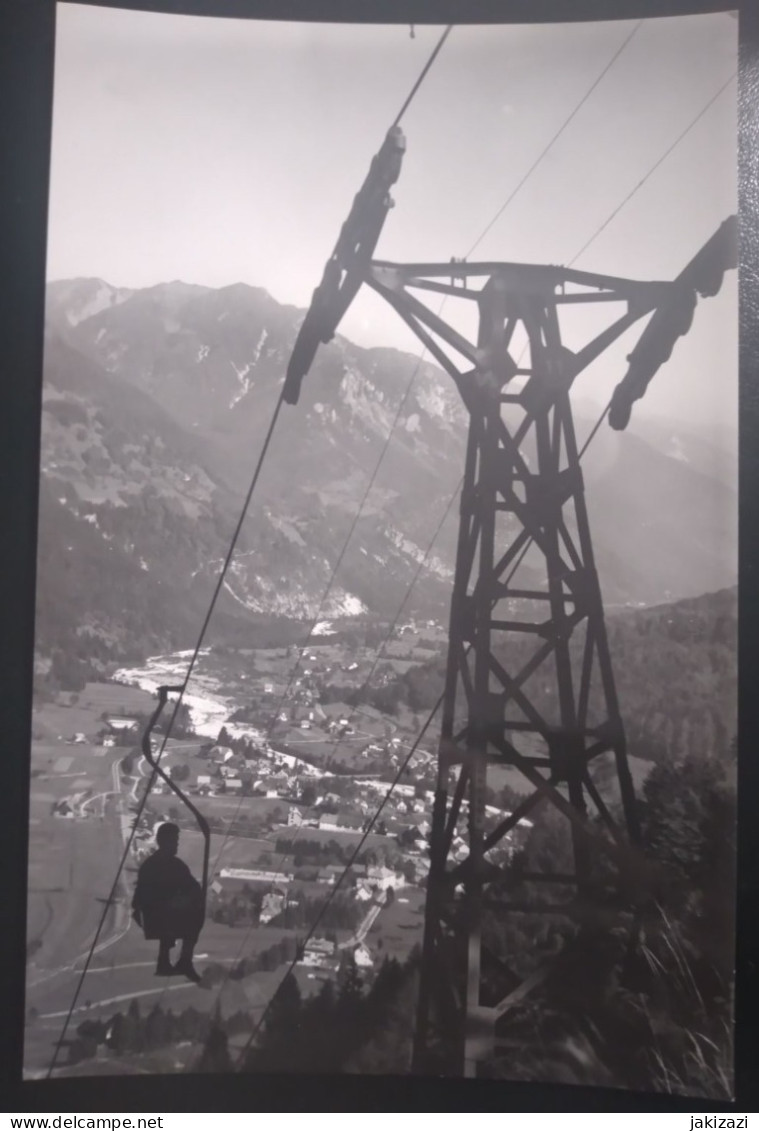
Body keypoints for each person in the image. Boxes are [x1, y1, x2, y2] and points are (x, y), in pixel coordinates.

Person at [132, 822, 203, 983]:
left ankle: (168, 962)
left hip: (157, 915)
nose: (177, 843)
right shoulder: (167, 865)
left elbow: (191, 886)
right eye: (174, 840)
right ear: (165, 841)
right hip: (159, 916)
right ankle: (184, 961)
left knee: (187, 910)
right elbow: (191, 888)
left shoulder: (157, 864)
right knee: (194, 916)